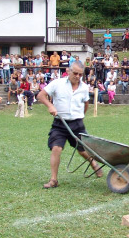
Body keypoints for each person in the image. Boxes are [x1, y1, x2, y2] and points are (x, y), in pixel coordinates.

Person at [37, 61, 103, 189]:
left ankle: (93, 163)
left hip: (77, 124)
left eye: (80, 74)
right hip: (60, 123)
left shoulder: (84, 87)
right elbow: (41, 95)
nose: (77, 76)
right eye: (75, 73)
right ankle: (53, 180)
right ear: (68, 71)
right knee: (56, 148)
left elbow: (86, 104)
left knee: (82, 150)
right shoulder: (57, 83)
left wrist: (79, 116)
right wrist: (50, 106)